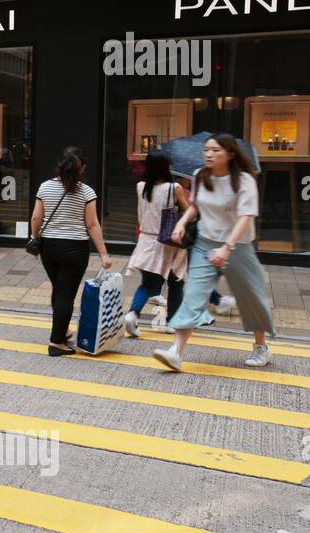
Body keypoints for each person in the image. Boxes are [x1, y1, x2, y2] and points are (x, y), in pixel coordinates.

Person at [155, 134, 275, 371]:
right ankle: (175, 352)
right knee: (194, 294)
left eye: (215, 151)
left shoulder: (244, 180)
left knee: (250, 297)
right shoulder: (201, 175)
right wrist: (181, 223)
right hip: (205, 243)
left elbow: (246, 216)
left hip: (237, 246)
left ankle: (261, 346)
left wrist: (227, 248)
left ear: (230, 154)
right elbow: (196, 206)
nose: (209, 154)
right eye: (207, 150)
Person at [31, 147, 113, 356]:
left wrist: (34, 238)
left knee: (58, 290)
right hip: (74, 249)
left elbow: (36, 218)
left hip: (49, 247)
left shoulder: (45, 187)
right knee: (65, 294)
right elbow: (92, 225)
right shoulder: (86, 192)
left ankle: (62, 329)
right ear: (82, 168)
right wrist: (103, 253)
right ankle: (56, 342)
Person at [123, 151, 193, 336]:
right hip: (169, 242)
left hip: (146, 240)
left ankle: (132, 314)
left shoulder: (140, 186)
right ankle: (172, 322)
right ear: (166, 167)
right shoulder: (174, 188)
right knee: (176, 283)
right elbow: (188, 212)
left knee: (148, 285)